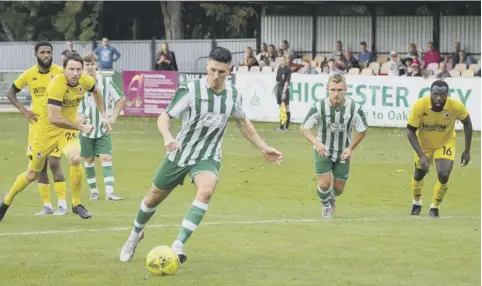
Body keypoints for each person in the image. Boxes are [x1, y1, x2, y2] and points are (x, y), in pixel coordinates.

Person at [119, 47, 282, 264]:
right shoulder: (190, 90)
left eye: (221, 72)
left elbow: (242, 122)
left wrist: (263, 147)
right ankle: (134, 235)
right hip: (179, 153)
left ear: (229, 71)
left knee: (205, 191)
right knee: (152, 199)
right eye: (213, 70)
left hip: (208, 156)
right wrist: (167, 136)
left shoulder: (233, 94)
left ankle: (178, 244)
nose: (216, 76)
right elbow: (164, 117)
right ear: (207, 66)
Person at [0, 52, 111, 222]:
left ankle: (76, 204)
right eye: (71, 69)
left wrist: (104, 115)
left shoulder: (85, 80)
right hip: (46, 131)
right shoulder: (56, 85)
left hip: (67, 131)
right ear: (64, 70)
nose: (75, 73)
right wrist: (81, 126)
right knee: (32, 174)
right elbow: (55, 118)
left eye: (78, 69)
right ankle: (6, 201)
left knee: (74, 158)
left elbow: (96, 92)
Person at [6, 41, 68, 216]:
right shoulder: (29, 74)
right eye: (42, 52)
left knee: (55, 163)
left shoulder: (59, 72)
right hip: (36, 128)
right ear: (36, 54)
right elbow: (11, 92)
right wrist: (24, 110)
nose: (46, 55)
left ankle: (62, 205)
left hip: (55, 126)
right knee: (39, 167)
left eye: (49, 52)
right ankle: (47, 205)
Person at [300, 74, 368, 218]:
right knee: (324, 184)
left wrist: (350, 148)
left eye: (339, 90)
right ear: (327, 89)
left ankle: (331, 197)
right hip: (323, 150)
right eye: (333, 90)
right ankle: (326, 206)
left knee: (338, 189)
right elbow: (304, 128)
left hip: (343, 152)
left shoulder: (355, 107)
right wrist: (316, 142)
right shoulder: (318, 107)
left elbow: (362, 130)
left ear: (345, 90)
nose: (336, 94)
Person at [406, 80, 472, 218]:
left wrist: (467, 150)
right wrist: (422, 155)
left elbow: (467, 123)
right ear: (430, 93)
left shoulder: (455, 106)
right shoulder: (420, 105)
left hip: (445, 143)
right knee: (419, 174)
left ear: (447, 95)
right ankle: (416, 202)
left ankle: (435, 207)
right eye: (435, 94)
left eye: (442, 95)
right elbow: (410, 131)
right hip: (424, 145)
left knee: (443, 174)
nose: (438, 98)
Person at [78, 53, 125, 201]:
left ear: (96, 65)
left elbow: (121, 98)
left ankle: (110, 192)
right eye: (87, 65)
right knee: (89, 159)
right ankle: (94, 192)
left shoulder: (105, 81)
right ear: (83, 67)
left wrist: (113, 118)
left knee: (106, 157)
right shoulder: (77, 83)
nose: (90, 67)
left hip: (103, 127)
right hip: (84, 129)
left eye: (92, 64)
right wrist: (77, 116)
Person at [274, 55, 291, 130]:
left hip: (284, 89)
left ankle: (286, 127)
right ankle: (281, 126)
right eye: (281, 60)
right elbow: (277, 80)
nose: (282, 61)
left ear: (285, 60)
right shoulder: (279, 69)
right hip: (279, 88)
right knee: (280, 108)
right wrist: (273, 88)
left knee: (286, 107)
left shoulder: (288, 70)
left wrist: (284, 92)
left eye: (283, 59)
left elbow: (287, 82)